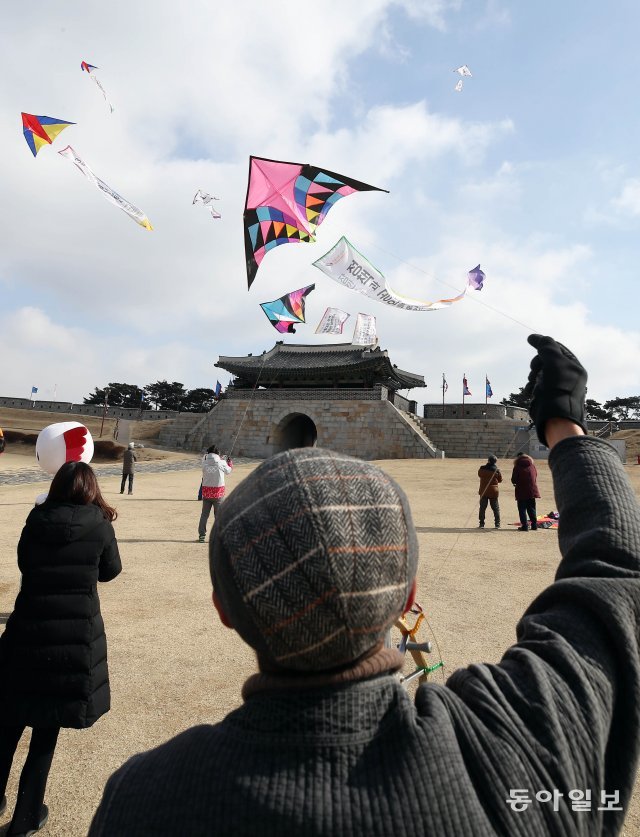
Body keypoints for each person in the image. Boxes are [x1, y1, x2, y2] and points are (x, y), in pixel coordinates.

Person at [89, 334, 640, 837]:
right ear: (408, 595)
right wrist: (565, 428)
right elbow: (614, 580)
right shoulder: (511, 757)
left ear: (223, 607)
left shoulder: (144, 798)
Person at [0, 461, 121, 836]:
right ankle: (25, 817)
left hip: (26, 630)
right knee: (45, 732)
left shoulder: (36, 519)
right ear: (90, 488)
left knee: (6, 726)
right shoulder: (99, 524)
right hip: (71, 639)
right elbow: (110, 570)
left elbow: (24, 563)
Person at [198, 445, 232, 543]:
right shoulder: (221, 462)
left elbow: (206, 457)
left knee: (204, 514)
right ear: (218, 453)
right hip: (218, 492)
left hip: (206, 492)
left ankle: (201, 535)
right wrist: (229, 463)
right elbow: (228, 471)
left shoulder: (204, 462)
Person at [511, 450, 541, 530]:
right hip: (532, 490)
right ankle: (534, 525)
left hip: (521, 491)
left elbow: (514, 479)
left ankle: (525, 526)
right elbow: (535, 475)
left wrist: (515, 483)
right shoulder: (532, 465)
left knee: (522, 509)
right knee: (532, 508)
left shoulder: (517, 466)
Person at [477, 454, 502, 528]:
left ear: (488, 460)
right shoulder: (497, 470)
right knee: (495, 508)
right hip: (493, 491)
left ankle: (481, 524)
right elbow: (500, 480)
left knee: (482, 508)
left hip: (484, 490)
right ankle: (497, 524)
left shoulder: (482, 469)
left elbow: (479, 475)